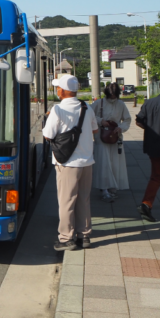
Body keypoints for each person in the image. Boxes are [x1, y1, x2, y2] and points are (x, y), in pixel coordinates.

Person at [42, 74, 99, 251]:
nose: (57, 90)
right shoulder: (86, 107)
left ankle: (66, 238)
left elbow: (47, 135)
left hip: (67, 163)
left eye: (58, 87)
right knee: (83, 199)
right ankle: (84, 236)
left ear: (63, 91)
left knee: (67, 201)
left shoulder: (58, 110)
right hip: (87, 162)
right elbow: (95, 130)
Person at [135, 79, 160, 223]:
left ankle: (146, 204)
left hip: (153, 146)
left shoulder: (149, 102)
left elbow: (138, 121)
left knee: (156, 177)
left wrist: (150, 130)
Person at [91, 82, 131, 202]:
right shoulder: (99, 103)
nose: (113, 98)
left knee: (115, 162)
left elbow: (127, 119)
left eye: (114, 95)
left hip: (115, 136)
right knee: (103, 162)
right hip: (101, 136)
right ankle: (104, 188)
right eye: (111, 96)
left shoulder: (121, 104)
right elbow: (90, 116)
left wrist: (121, 127)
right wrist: (100, 120)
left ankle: (113, 186)